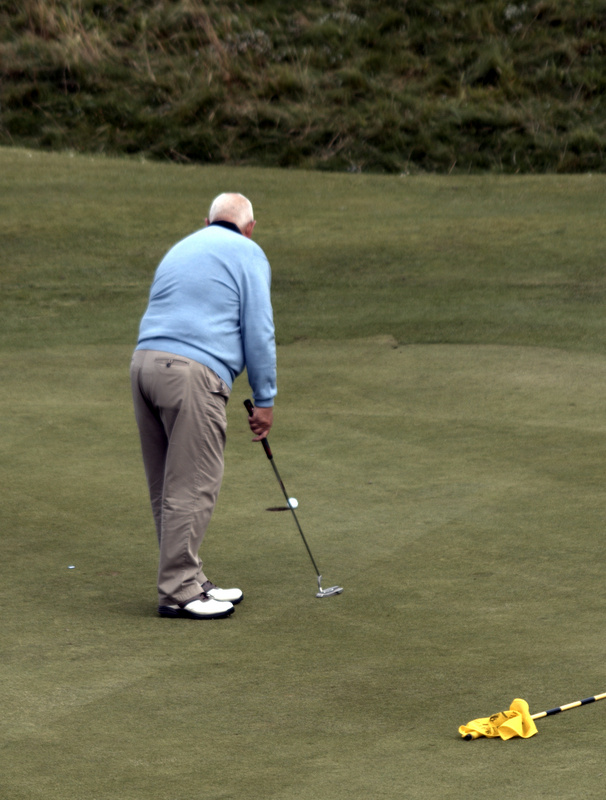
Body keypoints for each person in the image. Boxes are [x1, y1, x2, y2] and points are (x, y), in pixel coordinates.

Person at [130, 192, 277, 619]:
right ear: (250, 228)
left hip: (143, 366)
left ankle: (188, 578)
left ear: (207, 220)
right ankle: (178, 591)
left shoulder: (182, 247)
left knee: (167, 485)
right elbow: (259, 329)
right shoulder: (248, 252)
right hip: (192, 374)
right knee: (194, 483)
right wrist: (264, 398)